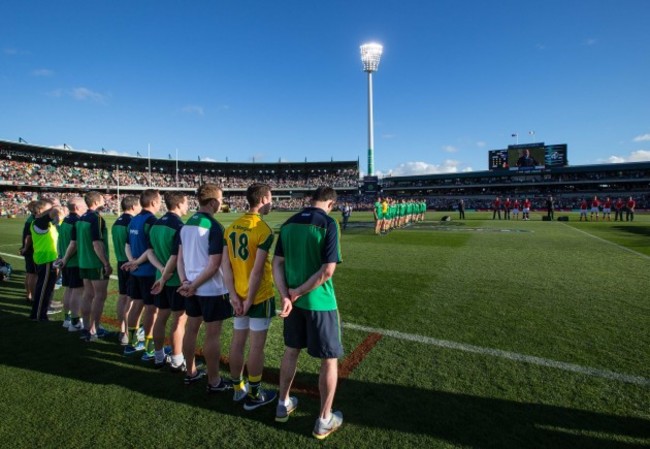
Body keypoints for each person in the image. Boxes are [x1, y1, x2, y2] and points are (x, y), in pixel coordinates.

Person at [272, 186, 344, 440]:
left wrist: (285, 295)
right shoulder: (328, 223)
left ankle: (282, 403)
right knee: (329, 359)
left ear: (311, 199)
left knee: (291, 351)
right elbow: (327, 270)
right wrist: (300, 292)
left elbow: (276, 263)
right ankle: (324, 419)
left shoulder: (289, 223)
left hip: (292, 303)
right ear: (331, 203)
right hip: (319, 303)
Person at [221, 183, 278, 410]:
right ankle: (255, 395)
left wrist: (234, 296)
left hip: (237, 295)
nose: (272, 202)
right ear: (263, 199)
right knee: (255, 348)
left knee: (237, 342)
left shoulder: (231, 227)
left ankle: (237, 389)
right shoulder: (263, 230)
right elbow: (256, 270)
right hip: (258, 296)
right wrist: (248, 300)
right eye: (271, 198)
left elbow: (225, 266)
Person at [176, 184, 233, 391]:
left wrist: (186, 283)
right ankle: (214, 380)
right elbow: (214, 264)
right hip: (210, 289)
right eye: (220, 199)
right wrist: (194, 285)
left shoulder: (185, 225)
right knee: (212, 335)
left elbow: (179, 260)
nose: (221, 203)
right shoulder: (214, 226)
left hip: (190, 287)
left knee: (191, 329)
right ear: (212, 202)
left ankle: (190, 372)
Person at [148, 192, 189, 370]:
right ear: (179, 204)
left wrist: (160, 270)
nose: (188, 206)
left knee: (161, 318)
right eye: (186, 202)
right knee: (179, 320)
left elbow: (149, 252)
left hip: (160, 279)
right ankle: (177, 360)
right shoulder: (179, 225)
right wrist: (166, 275)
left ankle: (158, 356)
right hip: (174, 281)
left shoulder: (155, 224)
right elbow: (175, 256)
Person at [122, 189, 161, 359]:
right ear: (153, 203)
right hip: (148, 271)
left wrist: (132, 262)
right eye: (159, 200)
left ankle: (131, 344)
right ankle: (149, 348)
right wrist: (137, 263)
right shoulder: (151, 221)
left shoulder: (134, 219)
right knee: (151, 310)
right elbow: (151, 250)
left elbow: (127, 245)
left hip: (136, 272)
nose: (160, 204)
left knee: (136, 306)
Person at [76, 191, 112, 341]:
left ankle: (85, 327)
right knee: (99, 296)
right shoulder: (95, 218)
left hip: (83, 261)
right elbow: (96, 243)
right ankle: (94, 330)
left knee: (88, 294)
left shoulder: (81, 218)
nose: (105, 201)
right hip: (95, 263)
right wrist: (106, 263)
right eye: (103, 199)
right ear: (97, 202)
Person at [111, 196, 141, 345]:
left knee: (123, 297)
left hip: (120, 262)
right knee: (131, 300)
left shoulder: (117, 222)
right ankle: (127, 334)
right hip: (131, 263)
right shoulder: (132, 222)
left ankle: (123, 330)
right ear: (134, 206)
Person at [29, 199, 63, 321]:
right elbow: (55, 211)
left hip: (50, 259)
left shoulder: (44, 222)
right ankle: (38, 315)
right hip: (46, 260)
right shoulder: (39, 222)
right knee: (43, 289)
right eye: (48, 209)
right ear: (40, 211)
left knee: (47, 288)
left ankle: (42, 313)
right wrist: (55, 208)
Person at [57, 197, 88, 331]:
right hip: (74, 261)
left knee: (69, 289)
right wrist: (65, 257)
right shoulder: (76, 221)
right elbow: (74, 244)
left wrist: (62, 257)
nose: (86, 208)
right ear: (77, 207)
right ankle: (75, 322)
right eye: (84, 206)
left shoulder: (65, 221)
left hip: (66, 261)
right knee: (77, 291)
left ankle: (68, 319)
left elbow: (60, 241)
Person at [20, 201, 37, 303]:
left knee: (29, 273)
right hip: (31, 250)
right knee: (33, 274)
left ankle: (29, 295)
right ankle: (32, 296)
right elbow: (28, 237)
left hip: (28, 250)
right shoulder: (33, 220)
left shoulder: (30, 219)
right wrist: (26, 248)